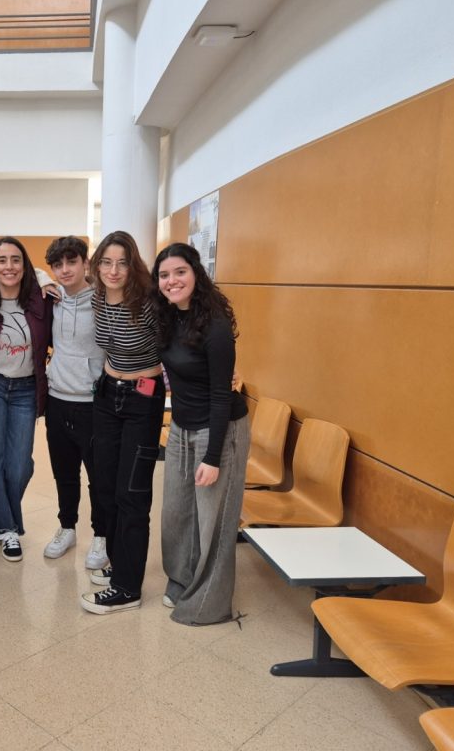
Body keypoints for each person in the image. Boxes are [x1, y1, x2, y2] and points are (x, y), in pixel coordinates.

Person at [153, 243, 250, 625]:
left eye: (180, 272)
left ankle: (209, 603)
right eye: (164, 275)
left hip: (219, 429)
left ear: (196, 274)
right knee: (176, 512)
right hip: (181, 426)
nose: (172, 281)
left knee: (214, 520)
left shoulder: (216, 326)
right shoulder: (167, 316)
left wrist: (212, 458)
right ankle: (182, 580)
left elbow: (221, 395)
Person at [80, 230, 166, 615]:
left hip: (142, 398)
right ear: (97, 265)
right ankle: (119, 565)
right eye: (107, 262)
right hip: (106, 394)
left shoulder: (147, 303)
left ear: (134, 267)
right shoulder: (97, 296)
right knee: (106, 486)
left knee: (132, 492)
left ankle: (128, 588)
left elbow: (176, 344)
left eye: (122, 263)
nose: (113, 270)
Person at [0, 237, 53, 562]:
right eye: (2, 260)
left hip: (26, 389)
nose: (9, 266)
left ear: (25, 265)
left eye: (16, 259)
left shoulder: (41, 301)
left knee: (19, 465)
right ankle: (8, 530)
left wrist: (43, 276)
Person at [41, 236, 108, 569]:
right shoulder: (52, 298)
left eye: (71, 262)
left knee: (98, 476)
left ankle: (102, 535)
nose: (65, 270)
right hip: (57, 400)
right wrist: (42, 278)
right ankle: (67, 528)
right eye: (58, 265)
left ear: (85, 263)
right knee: (64, 473)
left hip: (92, 403)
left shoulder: (104, 300)